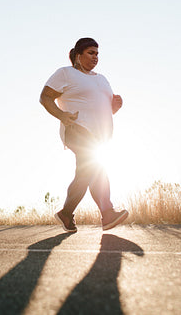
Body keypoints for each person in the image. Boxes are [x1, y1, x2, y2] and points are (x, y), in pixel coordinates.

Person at [39, 37, 128, 232]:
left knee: (90, 171)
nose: (95, 57)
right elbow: (45, 97)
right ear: (78, 55)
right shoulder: (66, 73)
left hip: (100, 136)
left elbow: (99, 110)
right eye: (91, 53)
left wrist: (114, 107)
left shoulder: (102, 79)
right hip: (77, 129)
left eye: (97, 53)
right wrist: (62, 115)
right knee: (94, 168)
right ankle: (107, 214)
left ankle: (67, 214)